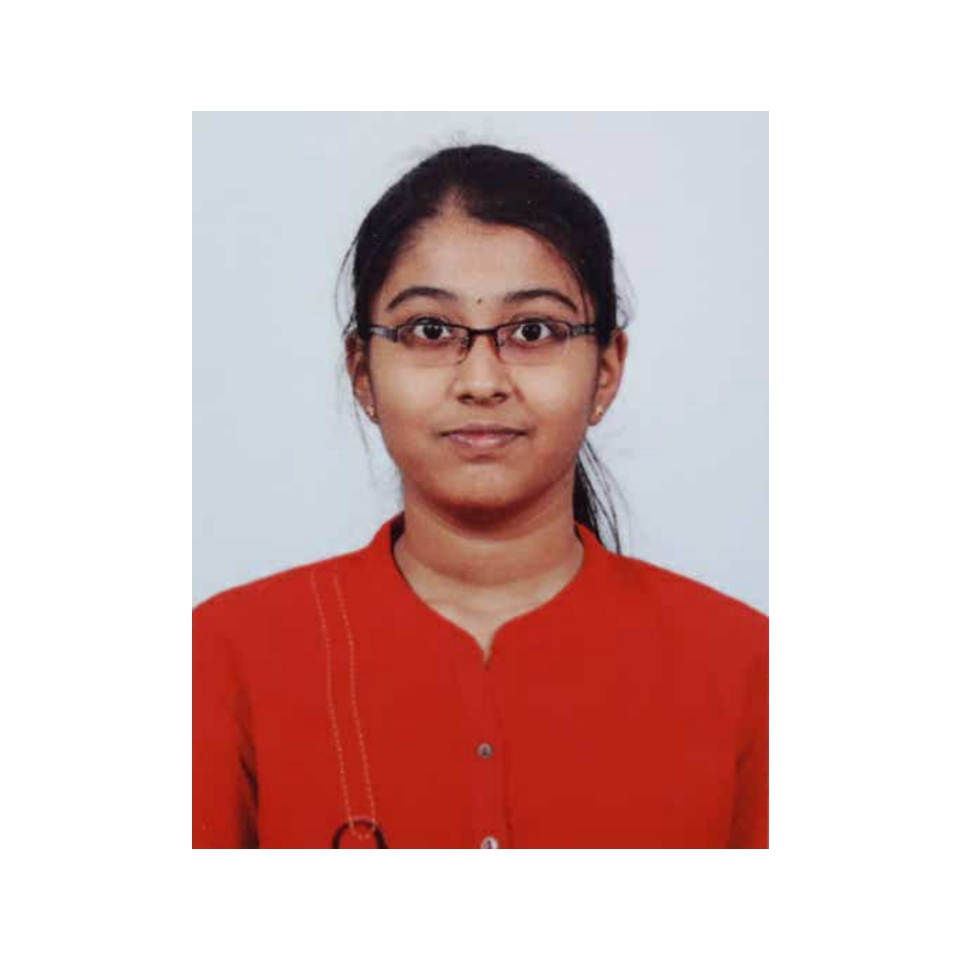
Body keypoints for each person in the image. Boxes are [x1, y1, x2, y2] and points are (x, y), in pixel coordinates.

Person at [193, 143, 768, 849]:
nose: (481, 381)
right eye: (429, 331)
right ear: (363, 372)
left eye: (534, 331)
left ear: (606, 370)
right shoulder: (222, 660)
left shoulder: (748, 667)